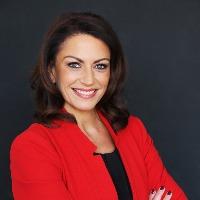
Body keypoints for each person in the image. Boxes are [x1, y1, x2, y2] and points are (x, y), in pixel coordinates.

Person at [10, 12, 187, 200]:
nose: (89, 79)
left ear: (111, 71)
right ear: (52, 71)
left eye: (100, 66)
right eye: (74, 65)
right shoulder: (32, 147)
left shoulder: (134, 131)